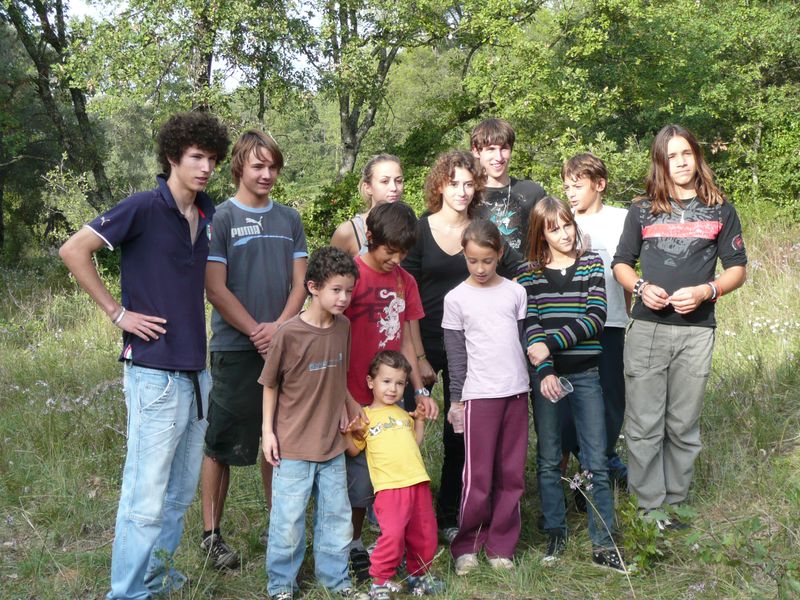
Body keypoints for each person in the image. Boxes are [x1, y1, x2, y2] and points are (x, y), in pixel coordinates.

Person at [59, 112, 230, 599]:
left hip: (196, 373)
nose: (205, 168)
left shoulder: (208, 215)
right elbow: (73, 250)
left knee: (177, 494)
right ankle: (128, 592)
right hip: (154, 374)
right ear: (173, 157)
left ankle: (157, 577)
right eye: (196, 157)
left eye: (212, 159)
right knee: (146, 496)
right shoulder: (143, 207)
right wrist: (118, 314)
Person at [612, 124, 747, 525]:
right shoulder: (642, 209)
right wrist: (640, 286)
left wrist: (707, 290)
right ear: (661, 162)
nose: (681, 162)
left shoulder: (721, 209)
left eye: (686, 153)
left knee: (683, 425)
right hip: (648, 328)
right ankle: (649, 510)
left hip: (697, 331)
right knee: (644, 424)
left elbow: (737, 269)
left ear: (697, 156)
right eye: (672, 156)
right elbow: (621, 263)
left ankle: (675, 505)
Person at [200, 130, 308, 569]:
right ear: (239, 166)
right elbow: (214, 287)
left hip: (284, 346)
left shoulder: (289, 219)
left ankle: (279, 530)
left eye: (273, 167)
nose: (267, 174)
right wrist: (255, 332)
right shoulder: (220, 218)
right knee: (220, 443)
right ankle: (211, 536)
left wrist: (279, 328)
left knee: (278, 440)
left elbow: (302, 284)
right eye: (258, 166)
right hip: (235, 349)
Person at [401, 149, 522, 543]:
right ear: (439, 184)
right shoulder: (420, 230)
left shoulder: (482, 230)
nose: (462, 191)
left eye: (469, 184)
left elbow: (516, 270)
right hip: (422, 341)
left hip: (471, 347)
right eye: (454, 183)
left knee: (460, 433)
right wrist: (419, 357)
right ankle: (400, 514)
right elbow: (405, 297)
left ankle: (451, 514)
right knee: (405, 425)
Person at [518, 196, 624, 572]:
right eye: (554, 229)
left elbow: (595, 317)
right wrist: (545, 370)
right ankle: (555, 534)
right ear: (541, 234)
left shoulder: (591, 263)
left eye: (567, 225)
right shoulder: (528, 274)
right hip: (547, 378)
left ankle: (603, 544)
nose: (564, 234)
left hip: (585, 374)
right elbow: (530, 326)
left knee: (596, 459)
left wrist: (551, 343)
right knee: (549, 457)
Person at [259, 246, 367, 600]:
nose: (344, 298)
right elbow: (270, 384)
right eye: (336, 290)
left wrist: (350, 405)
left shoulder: (343, 327)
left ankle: (335, 581)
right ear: (313, 287)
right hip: (292, 446)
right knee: (288, 522)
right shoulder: (288, 333)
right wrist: (267, 432)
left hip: (332, 445)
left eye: (349, 290)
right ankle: (281, 586)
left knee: (337, 518)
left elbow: (339, 375)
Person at [343, 200, 438, 581]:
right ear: (369, 237)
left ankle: (389, 543)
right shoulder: (351, 276)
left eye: (402, 254)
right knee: (358, 481)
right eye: (389, 251)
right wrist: (347, 400)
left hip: (393, 395)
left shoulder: (405, 282)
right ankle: (352, 543)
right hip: (353, 394)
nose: (396, 260)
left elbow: (409, 341)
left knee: (394, 477)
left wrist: (420, 391)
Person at [441, 219, 529, 575]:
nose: (480, 268)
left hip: (516, 393)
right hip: (478, 397)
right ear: (464, 255)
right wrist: (456, 402)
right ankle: (467, 545)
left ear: (500, 254)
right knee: (477, 477)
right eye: (473, 260)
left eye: (487, 261)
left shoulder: (515, 293)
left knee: (511, 474)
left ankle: (501, 545)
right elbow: (456, 357)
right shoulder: (455, 299)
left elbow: (522, 341)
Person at [343, 351, 444, 599]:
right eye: (386, 381)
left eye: (399, 383)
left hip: (417, 481)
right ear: (371, 382)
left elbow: (415, 442)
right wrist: (347, 432)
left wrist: (419, 420)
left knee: (424, 532)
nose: (393, 389)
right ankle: (379, 581)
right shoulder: (365, 416)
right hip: (389, 487)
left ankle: (418, 575)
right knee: (393, 534)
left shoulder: (404, 415)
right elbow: (354, 450)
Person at [559, 153, 630, 495]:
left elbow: (631, 267)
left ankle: (598, 467)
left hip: (612, 322)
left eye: (578, 186)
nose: (571, 193)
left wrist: (630, 314)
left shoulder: (622, 219)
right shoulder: (562, 223)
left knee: (613, 401)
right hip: (572, 328)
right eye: (566, 187)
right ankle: (599, 471)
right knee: (572, 407)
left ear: (599, 184)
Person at [470, 118, 546, 256]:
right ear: (476, 151)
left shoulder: (533, 193)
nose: (499, 157)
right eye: (491, 149)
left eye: (504, 148)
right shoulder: (467, 196)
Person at [331, 154, 405, 256]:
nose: (394, 188)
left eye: (398, 181)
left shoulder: (414, 227)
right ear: (368, 187)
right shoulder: (347, 232)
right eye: (385, 181)